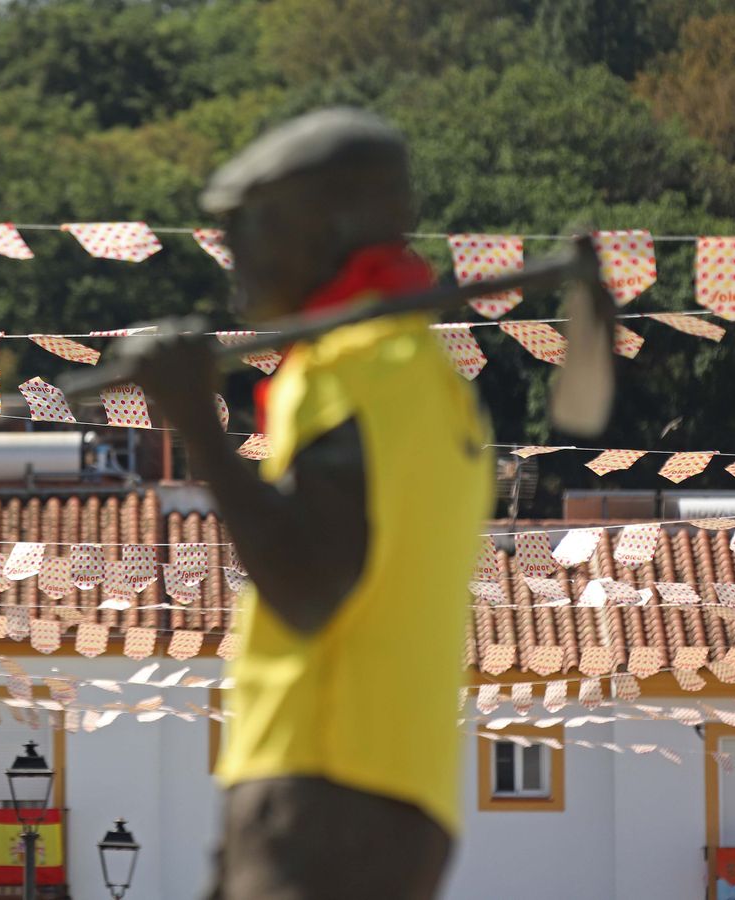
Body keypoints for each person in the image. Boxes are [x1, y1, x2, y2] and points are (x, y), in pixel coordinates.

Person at [123, 108, 493, 900]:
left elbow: (308, 588)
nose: (235, 261)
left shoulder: (344, 371)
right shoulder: (438, 388)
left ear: (332, 222)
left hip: (319, 767)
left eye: (251, 227)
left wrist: (198, 423)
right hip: (404, 784)